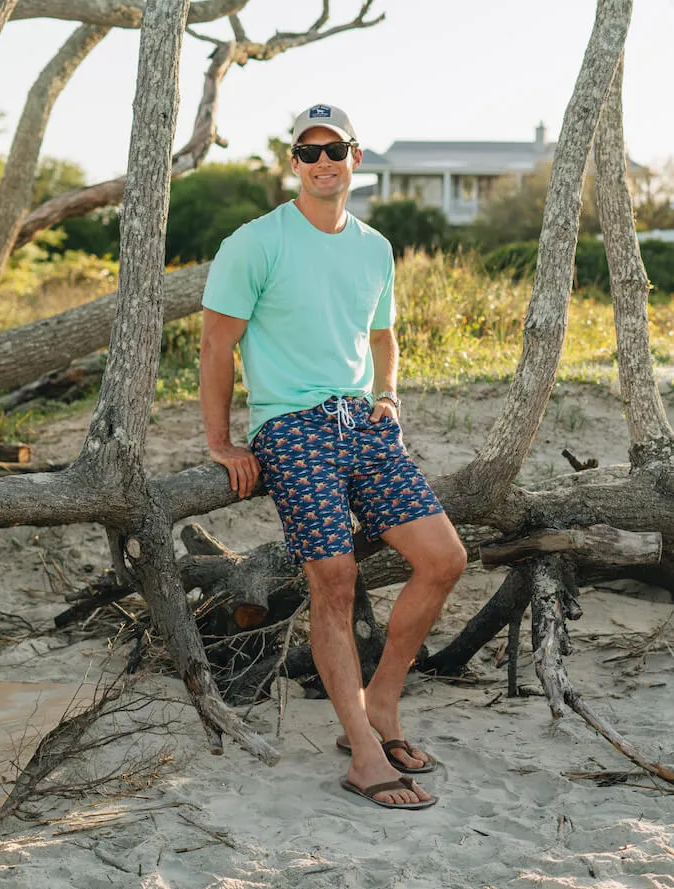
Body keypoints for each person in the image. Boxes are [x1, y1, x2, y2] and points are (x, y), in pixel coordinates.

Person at [198, 104, 466, 810]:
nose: (323, 162)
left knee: (443, 559)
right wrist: (221, 441)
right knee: (335, 577)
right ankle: (363, 752)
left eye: (335, 149)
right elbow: (216, 345)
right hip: (291, 426)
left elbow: (383, 336)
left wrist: (390, 396)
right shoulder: (255, 243)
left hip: (362, 424)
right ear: (293, 162)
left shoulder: (374, 247)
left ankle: (381, 704)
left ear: (354, 157)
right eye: (309, 151)